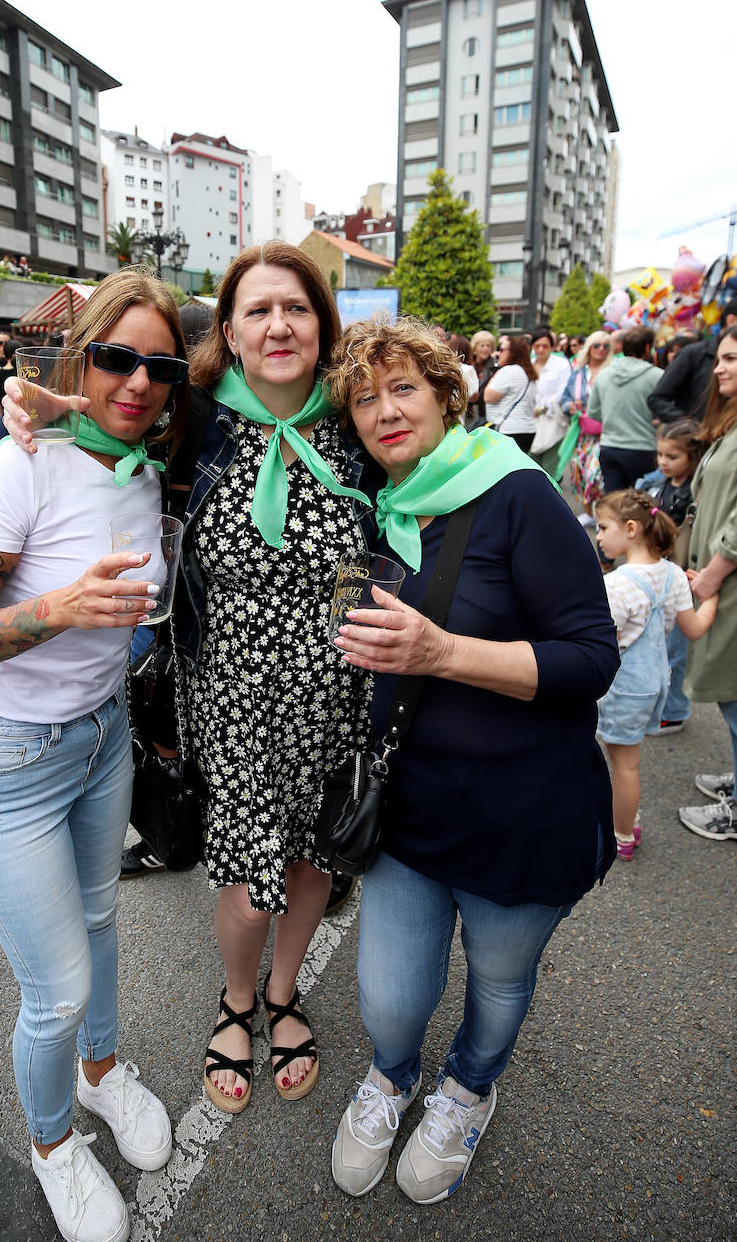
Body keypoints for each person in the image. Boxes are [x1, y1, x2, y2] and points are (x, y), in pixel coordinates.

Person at [323, 317, 619, 1205]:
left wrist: (443, 653)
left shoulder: (516, 494)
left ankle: (467, 1090)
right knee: (387, 1002)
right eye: (365, 398)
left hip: (524, 812)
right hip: (411, 812)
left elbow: (591, 658)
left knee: (497, 984)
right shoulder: (370, 509)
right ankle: (392, 1075)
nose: (384, 411)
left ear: (450, 394)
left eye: (403, 387)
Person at [0, 269, 185, 1242]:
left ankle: (102, 1074)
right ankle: (50, 1146)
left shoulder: (144, 467)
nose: (136, 382)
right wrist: (58, 612)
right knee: (57, 986)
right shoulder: (18, 466)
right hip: (4, 766)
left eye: (157, 366)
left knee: (102, 922)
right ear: (82, 357)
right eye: (117, 357)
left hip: (98, 740)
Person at [174, 244, 373, 1112]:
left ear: (322, 326)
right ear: (230, 330)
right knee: (249, 892)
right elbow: (101, 431)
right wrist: (30, 414)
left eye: (295, 308)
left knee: (311, 866)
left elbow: (444, 482)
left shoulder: (362, 425)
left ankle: (283, 993)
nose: (278, 325)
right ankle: (237, 995)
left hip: (338, 698)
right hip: (236, 702)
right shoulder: (197, 421)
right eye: (257, 310)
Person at [594, 489, 717, 859]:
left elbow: (603, 644)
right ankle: (625, 821)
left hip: (621, 686)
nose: (598, 536)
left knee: (618, 766)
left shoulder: (617, 584)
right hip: (653, 684)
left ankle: (621, 834)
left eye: (603, 527)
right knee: (629, 762)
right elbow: (693, 629)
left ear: (631, 528)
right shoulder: (675, 574)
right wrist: (709, 598)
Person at [676, 324, 737, 842]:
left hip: (727, 578)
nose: (719, 368)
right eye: (720, 359)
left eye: (732, 359)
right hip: (718, 574)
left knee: (736, 696)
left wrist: (714, 572)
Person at [638, 419, 707, 734]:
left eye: (672, 457)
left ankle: (675, 710)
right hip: (662, 574)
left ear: (693, 458)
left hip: (682, 579)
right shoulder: (659, 481)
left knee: (675, 651)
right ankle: (663, 702)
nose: (663, 462)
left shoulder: (697, 493)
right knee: (660, 643)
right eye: (660, 455)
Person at [587, 326, 663, 493]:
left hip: (609, 447)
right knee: (642, 504)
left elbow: (592, 412)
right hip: (644, 447)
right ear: (648, 347)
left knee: (614, 505)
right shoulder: (658, 376)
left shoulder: (604, 375)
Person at [558, 330, 612, 526]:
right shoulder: (579, 373)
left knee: (596, 474)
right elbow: (564, 397)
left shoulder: (611, 372)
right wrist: (569, 406)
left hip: (605, 433)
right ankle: (590, 513)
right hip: (581, 432)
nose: (601, 350)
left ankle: (601, 514)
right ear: (589, 348)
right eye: (597, 345)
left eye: (606, 346)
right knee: (579, 472)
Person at [647, 307, 737, 423]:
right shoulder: (694, 354)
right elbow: (657, 399)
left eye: (730, 359)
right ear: (732, 320)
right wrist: (687, 424)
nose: (718, 370)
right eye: (726, 359)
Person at [483, 332, 537, 450]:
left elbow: (488, 396)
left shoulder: (509, 371)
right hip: (528, 430)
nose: (499, 354)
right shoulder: (528, 372)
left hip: (508, 430)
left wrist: (497, 370)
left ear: (513, 352)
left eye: (502, 350)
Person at [528, 328, 571, 475]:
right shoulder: (528, 364)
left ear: (552, 347)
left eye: (545, 346)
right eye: (537, 345)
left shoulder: (561, 365)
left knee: (548, 468)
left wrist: (542, 409)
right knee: (531, 467)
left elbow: (563, 391)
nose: (541, 349)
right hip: (530, 422)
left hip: (552, 420)